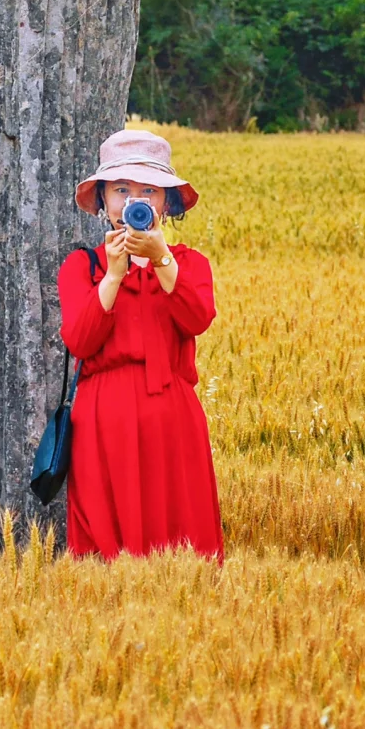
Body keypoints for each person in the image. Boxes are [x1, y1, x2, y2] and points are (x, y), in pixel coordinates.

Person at [58, 129, 223, 561]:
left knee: (184, 541)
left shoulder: (189, 264)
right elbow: (80, 340)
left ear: (167, 204)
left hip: (172, 416)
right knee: (107, 545)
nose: (135, 200)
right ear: (103, 202)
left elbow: (197, 318)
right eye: (122, 189)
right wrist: (113, 275)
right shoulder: (83, 266)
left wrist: (160, 258)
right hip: (102, 419)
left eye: (149, 190)